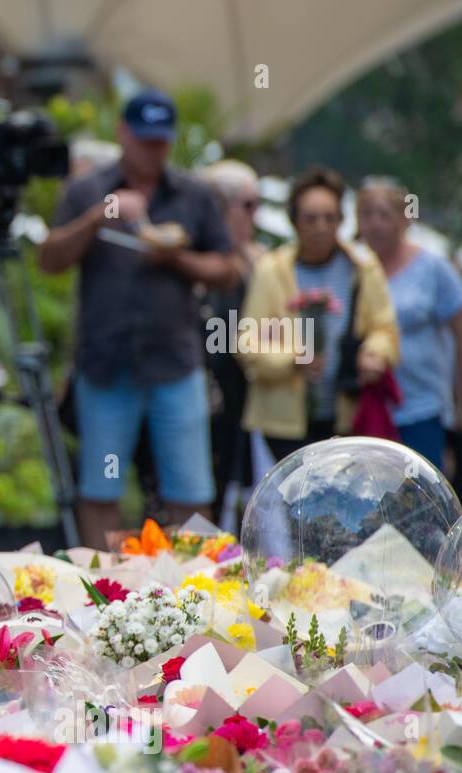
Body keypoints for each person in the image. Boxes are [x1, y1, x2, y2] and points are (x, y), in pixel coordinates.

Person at [38, 89, 237, 550]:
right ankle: (101, 594)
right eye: (144, 140)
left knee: (190, 492)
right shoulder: (89, 190)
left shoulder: (193, 195)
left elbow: (229, 270)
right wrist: (97, 218)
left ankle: (198, 595)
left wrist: (176, 258)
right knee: (100, 490)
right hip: (106, 367)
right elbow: (49, 259)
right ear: (122, 133)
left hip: (175, 365)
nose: (153, 151)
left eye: (161, 142)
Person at [237, 166, 399, 461]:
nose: (321, 227)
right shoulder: (271, 270)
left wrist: (374, 353)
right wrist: (294, 359)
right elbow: (247, 343)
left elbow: (384, 329)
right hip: (283, 423)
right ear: (295, 221)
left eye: (330, 217)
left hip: (346, 417)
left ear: (341, 220)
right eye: (311, 218)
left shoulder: (362, 266)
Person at [355, 178, 462, 470]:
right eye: (367, 215)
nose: (376, 224)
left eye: (384, 215)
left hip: (422, 408)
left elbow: (460, 333)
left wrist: (459, 403)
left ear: (404, 220)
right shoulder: (354, 269)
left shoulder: (433, 268)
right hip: (367, 409)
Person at [198, 158, 265, 527]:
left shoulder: (259, 260)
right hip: (200, 386)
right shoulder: (197, 258)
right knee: (197, 487)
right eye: (249, 205)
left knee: (233, 484)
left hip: (241, 393)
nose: (255, 216)